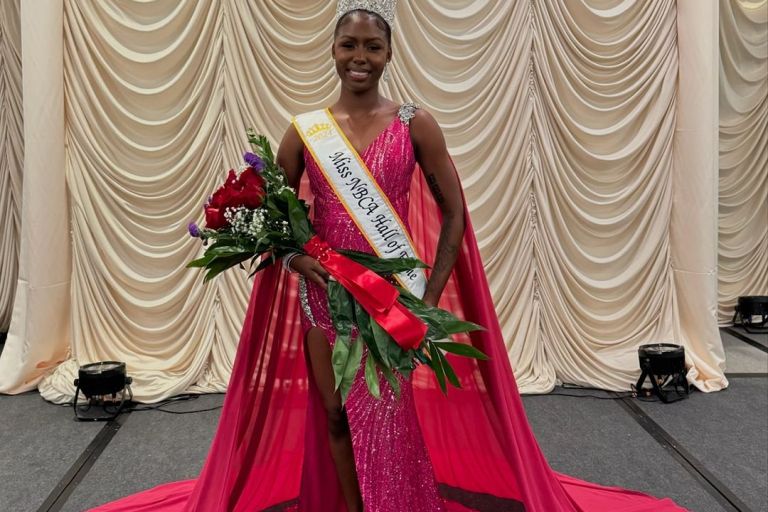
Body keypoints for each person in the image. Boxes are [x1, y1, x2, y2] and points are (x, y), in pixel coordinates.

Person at [91, 2, 687, 511]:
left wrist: (427, 300)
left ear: (389, 53)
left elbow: (454, 213)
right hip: (323, 298)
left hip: (389, 298)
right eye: (349, 43)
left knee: (386, 417)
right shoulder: (305, 130)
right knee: (333, 416)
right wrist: (302, 264)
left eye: (372, 46)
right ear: (331, 48)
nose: (360, 56)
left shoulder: (416, 124)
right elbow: (275, 220)